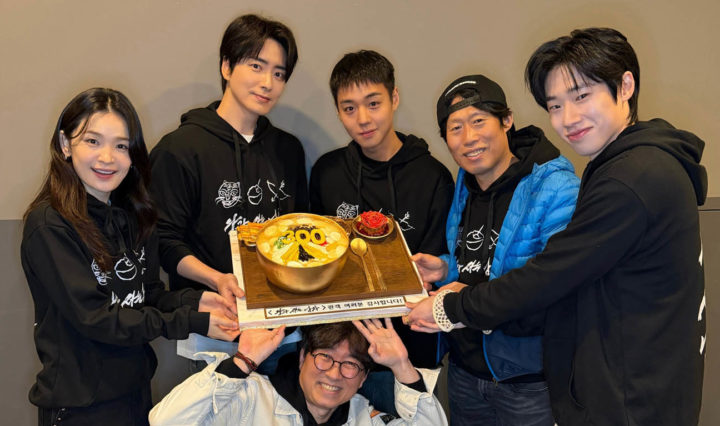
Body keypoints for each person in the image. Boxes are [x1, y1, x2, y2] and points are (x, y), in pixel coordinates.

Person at [407, 28, 707, 426]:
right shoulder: (632, 166)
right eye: (555, 105)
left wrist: (449, 308)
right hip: (626, 386)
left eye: (582, 96)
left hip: (629, 401)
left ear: (625, 86)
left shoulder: (631, 180)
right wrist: (449, 269)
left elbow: (547, 279)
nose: (568, 119)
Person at [21, 88, 240, 425]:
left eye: (121, 146)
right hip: (80, 408)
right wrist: (193, 322)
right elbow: (97, 318)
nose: (108, 157)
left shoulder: (134, 215)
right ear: (65, 144)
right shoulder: (49, 225)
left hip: (135, 394)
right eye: (92, 141)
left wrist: (197, 301)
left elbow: (146, 294)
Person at [410, 74, 579, 425]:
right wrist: (445, 268)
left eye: (478, 121)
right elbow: (479, 263)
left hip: (529, 381)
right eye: (455, 128)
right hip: (464, 371)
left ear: (507, 120)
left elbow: (554, 290)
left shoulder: (556, 188)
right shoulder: (465, 183)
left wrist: (455, 303)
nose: (468, 138)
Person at [149, 14, 308, 373]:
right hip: (218, 331)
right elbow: (165, 242)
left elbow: (300, 229)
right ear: (226, 66)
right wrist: (217, 279)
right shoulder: (180, 149)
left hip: (282, 330)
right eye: (256, 66)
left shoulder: (288, 150)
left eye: (279, 73)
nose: (268, 83)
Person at [309, 49, 454, 414]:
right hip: (338, 358)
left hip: (407, 354)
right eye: (349, 108)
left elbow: (436, 268)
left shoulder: (433, 177)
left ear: (394, 98)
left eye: (373, 103)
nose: (363, 119)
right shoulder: (327, 172)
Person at [149, 319, 448, 425]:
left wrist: (402, 366)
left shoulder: (363, 417)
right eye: (324, 357)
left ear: (363, 379)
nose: (334, 374)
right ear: (303, 356)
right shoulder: (251, 396)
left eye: (350, 365)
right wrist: (242, 362)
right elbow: (165, 421)